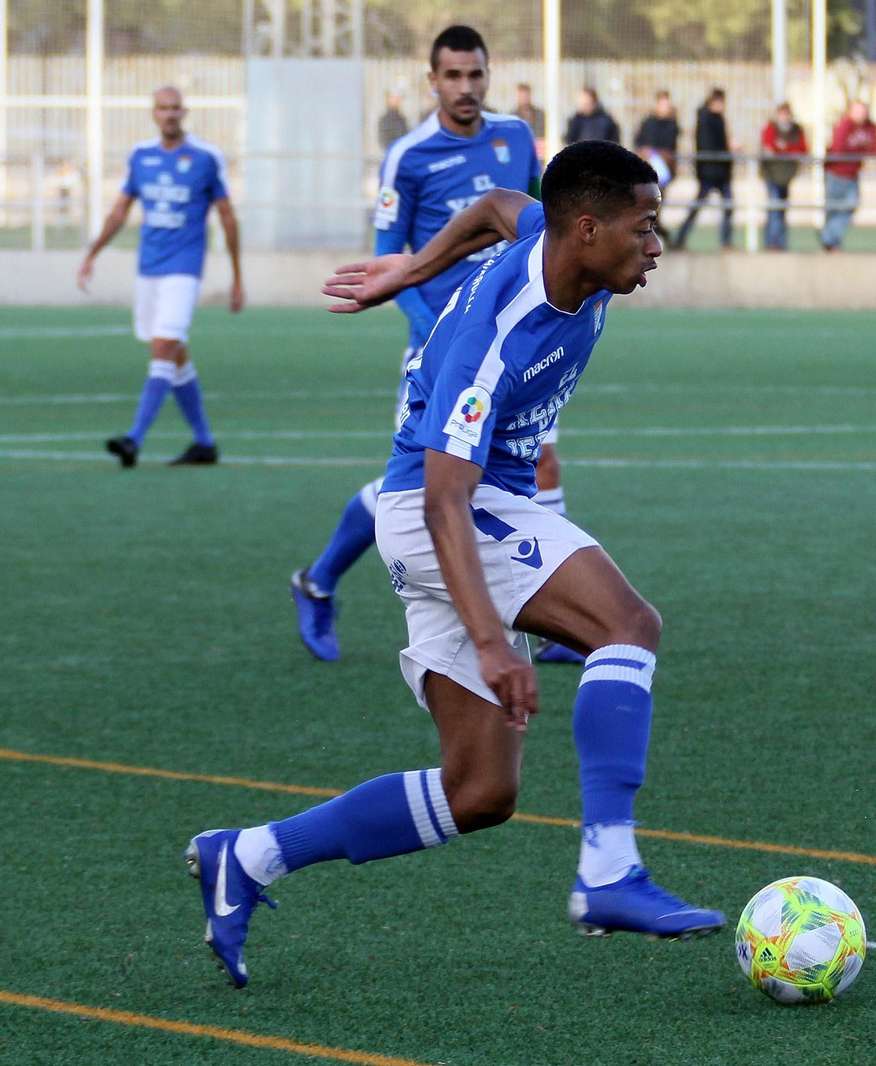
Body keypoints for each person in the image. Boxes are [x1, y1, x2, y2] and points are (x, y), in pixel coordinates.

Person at [187, 142, 726, 989]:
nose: (657, 243)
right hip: (447, 513)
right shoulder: (497, 340)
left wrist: (406, 272)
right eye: (644, 226)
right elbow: (444, 500)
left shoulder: (547, 233)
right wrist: (490, 640)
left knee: (479, 794)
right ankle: (609, 872)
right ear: (587, 230)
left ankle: (248, 857)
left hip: (462, 510)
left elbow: (489, 209)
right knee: (628, 626)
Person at [290, 26, 564, 664]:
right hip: (441, 351)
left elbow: (538, 220)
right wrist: (433, 330)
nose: (465, 88)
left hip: (516, 340)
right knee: (419, 483)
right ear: (432, 80)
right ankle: (318, 579)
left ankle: (549, 621)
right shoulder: (408, 156)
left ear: (488, 74)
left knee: (536, 460)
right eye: (453, 76)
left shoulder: (516, 137)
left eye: (475, 75)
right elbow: (391, 260)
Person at [78, 85, 243, 468]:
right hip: (148, 268)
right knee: (175, 355)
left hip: (184, 269)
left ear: (184, 112)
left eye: (175, 108)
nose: (169, 114)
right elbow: (120, 211)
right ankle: (204, 443)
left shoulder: (205, 157)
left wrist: (237, 276)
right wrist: (92, 252)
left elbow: (227, 217)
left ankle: (134, 439)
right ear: (153, 113)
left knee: (163, 348)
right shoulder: (140, 156)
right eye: (162, 108)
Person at [674, 88, 736, 250]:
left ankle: (725, 241)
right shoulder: (706, 120)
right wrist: (728, 150)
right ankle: (681, 238)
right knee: (701, 206)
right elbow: (709, 145)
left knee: (727, 206)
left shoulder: (716, 119)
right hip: (710, 171)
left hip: (720, 171)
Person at [818, 99, 876, 251]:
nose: (861, 115)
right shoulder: (844, 125)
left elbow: (873, 150)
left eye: (863, 111)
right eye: (858, 111)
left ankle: (827, 237)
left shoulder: (870, 127)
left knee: (851, 204)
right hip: (835, 173)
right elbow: (839, 149)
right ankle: (831, 243)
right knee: (833, 209)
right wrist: (858, 151)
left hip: (852, 175)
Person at [759, 103, 807, 251]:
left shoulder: (796, 130)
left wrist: (784, 147)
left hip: (786, 177)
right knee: (775, 209)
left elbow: (802, 148)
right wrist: (783, 148)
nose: (784, 117)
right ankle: (772, 243)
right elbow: (769, 147)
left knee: (782, 209)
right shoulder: (771, 128)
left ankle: (781, 243)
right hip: (772, 176)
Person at [633, 91, 680, 239]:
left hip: (662, 170)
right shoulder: (648, 122)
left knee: (657, 202)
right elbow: (639, 140)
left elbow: (670, 145)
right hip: (647, 169)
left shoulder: (672, 124)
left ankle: (656, 231)